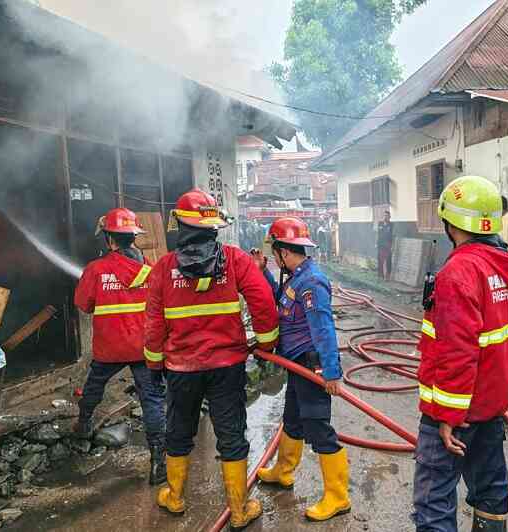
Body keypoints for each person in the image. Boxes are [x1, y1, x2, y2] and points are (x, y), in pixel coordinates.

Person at [145, 188, 279, 530]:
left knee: (179, 431)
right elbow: (263, 301)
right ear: (213, 226)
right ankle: (238, 510)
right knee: (231, 434)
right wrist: (267, 344)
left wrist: (154, 363)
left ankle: (175, 498)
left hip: (181, 369)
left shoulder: (163, 268)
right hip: (227, 367)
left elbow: (154, 323)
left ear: (181, 225)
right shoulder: (234, 260)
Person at [413, 176, 508, 532]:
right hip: (491, 405)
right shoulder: (504, 267)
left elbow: (457, 351)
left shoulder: (459, 271)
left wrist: (447, 415)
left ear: (451, 223)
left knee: (434, 499)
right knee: (490, 489)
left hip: (457, 414)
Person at [250, 217, 350, 522]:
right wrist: (263, 273)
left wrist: (331, 372)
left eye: (275, 252)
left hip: (311, 364)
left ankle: (338, 496)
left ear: (283, 251)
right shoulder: (296, 276)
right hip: (295, 363)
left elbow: (323, 329)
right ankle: (284, 471)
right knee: (292, 419)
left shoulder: (312, 282)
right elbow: (281, 303)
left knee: (318, 427)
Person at [73, 207, 166, 485]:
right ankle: (158, 463)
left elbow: (83, 305)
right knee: (152, 400)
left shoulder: (96, 269)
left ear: (110, 240)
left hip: (109, 348)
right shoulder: (150, 268)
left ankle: (84, 424)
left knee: (93, 386)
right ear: (133, 237)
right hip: (143, 348)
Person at [377, 210, 394, 280]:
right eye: (384, 215)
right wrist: (376, 243)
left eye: (387, 216)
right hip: (380, 244)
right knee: (380, 259)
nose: (385, 217)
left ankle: (388, 275)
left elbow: (391, 235)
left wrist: (392, 245)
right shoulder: (380, 223)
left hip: (388, 244)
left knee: (388, 260)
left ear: (389, 217)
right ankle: (380, 275)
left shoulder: (391, 225)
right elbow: (378, 234)